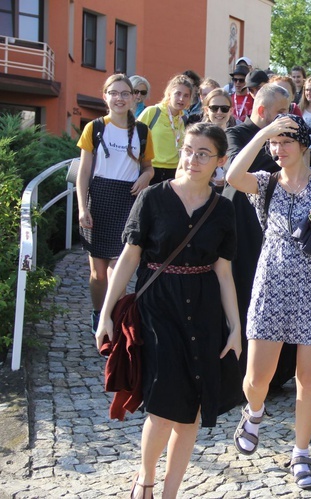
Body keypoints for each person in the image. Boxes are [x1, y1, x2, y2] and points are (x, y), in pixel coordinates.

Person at [95, 122, 242, 499]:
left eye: (203, 153)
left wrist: (235, 328)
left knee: (191, 410)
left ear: (220, 161)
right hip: (157, 306)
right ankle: (145, 480)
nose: (193, 159)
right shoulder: (154, 199)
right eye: (189, 150)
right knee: (162, 404)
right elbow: (129, 257)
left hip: (204, 308)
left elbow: (224, 272)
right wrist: (106, 312)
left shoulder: (223, 211)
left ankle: (170, 493)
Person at [225, 113, 311, 490]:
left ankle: (300, 452)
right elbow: (231, 176)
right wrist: (263, 131)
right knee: (256, 378)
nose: (277, 150)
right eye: (273, 144)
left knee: (308, 377)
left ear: (304, 145)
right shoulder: (264, 184)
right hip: (273, 280)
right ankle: (255, 411)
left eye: (285, 142)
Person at [223, 84, 295, 384]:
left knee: (277, 298)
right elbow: (241, 168)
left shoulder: (285, 138)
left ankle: (277, 374)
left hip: (276, 229)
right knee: (245, 296)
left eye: (288, 112)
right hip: (244, 230)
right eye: (280, 113)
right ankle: (243, 373)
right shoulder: (237, 134)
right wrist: (268, 140)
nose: (286, 119)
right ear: (262, 111)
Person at [77, 74, 155, 335]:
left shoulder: (143, 131)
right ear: (105, 97)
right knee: (98, 274)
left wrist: (145, 177)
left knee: (116, 271)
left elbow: (148, 167)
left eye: (125, 93)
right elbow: (84, 172)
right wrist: (82, 207)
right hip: (98, 199)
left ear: (134, 98)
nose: (119, 98)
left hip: (127, 201)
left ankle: (116, 322)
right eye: (114, 93)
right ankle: (100, 315)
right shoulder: (95, 127)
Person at [137, 74, 194, 184]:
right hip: (151, 169)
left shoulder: (184, 119)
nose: (181, 99)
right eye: (178, 94)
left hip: (174, 173)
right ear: (169, 94)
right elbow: (134, 136)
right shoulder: (152, 112)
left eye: (186, 95)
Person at [201, 88, 235, 188]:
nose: (219, 112)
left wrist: (229, 179)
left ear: (231, 111)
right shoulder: (197, 136)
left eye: (224, 108)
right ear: (207, 110)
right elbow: (180, 172)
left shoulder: (236, 137)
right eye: (214, 108)